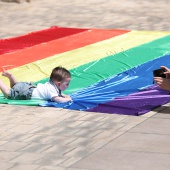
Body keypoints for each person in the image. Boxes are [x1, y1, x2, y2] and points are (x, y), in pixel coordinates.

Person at [0, 66, 72, 103]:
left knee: (15, 86)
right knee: (8, 94)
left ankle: (11, 76)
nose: (68, 86)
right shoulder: (52, 90)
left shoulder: (51, 84)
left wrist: (64, 95)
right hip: (27, 93)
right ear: (59, 84)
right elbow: (58, 100)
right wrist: (68, 99)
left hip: (28, 86)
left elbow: (59, 93)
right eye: (67, 84)